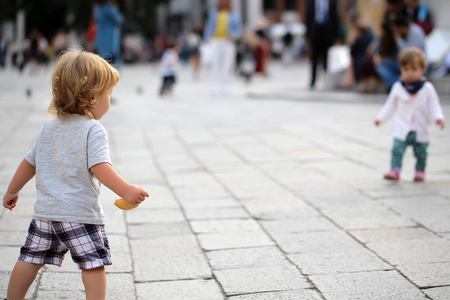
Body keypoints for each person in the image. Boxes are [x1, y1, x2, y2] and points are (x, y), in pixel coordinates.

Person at [2, 50, 149, 300]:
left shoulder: (49, 127)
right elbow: (99, 166)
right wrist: (126, 190)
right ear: (93, 98)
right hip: (80, 215)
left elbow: (29, 162)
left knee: (29, 258)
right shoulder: (94, 129)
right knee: (92, 264)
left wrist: (12, 190)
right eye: (108, 94)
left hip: (46, 215)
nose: (109, 100)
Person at [374, 47, 445, 181]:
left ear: (423, 69)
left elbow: (434, 105)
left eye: (414, 69)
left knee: (421, 152)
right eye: (406, 70)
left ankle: (420, 170)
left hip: (420, 128)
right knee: (397, 149)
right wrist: (380, 118)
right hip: (402, 127)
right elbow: (390, 105)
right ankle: (395, 170)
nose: (409, 73)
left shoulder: (428, 88)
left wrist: (438, 118)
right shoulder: (398, 87)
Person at [374, 13, 425, 90]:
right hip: (401, 62)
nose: (395, 31)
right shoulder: (398, 34)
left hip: (416, 62)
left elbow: (412, 55)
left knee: (410, 68)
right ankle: (398, 87)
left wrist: (399, 40)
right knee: (381, 66)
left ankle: (404, 87)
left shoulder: (416, 32)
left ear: (401, 27)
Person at [203, 0, 242, 94]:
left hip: (228, 41)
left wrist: (234, 36)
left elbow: (238, 28)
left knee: (227, 63)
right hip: (216, 40)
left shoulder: (235, 14)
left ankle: (226, 84)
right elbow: (209, 26)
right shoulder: (213, 13)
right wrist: (206, 39)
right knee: (215, 62)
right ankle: (215, 84)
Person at [305, 0, 340, 89]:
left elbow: (335, 19)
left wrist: (336, 36)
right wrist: (307, 35)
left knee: (327, 58)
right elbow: (308, 18)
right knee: (314, 59)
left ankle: (326, 80)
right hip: (315, 33)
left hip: (328, 34)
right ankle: (313, 80)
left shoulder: (332, 2)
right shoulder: (311, 2)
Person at [94, 0, 123, 68]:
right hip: (110, 39)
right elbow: (119, 19)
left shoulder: (97, 8)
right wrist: (115, 8)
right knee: (113, 62)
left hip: (101, 39)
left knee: (103, 62)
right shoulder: (108, 8)